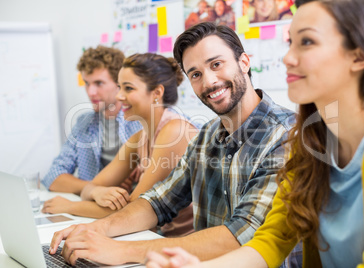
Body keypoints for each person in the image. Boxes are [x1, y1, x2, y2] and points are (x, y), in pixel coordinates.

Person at [145, 0, 364, 267]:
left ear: (359, 55)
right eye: (291, 43)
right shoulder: (311, 139)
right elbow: (272, 240)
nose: (288, 58)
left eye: (308, 42)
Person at [48, 22, 300, 267]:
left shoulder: (287, 135)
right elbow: (159, 201)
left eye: (216, 64)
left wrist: (121, 250)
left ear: (244, 62)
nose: (209, 82)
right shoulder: (208, 135)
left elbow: (242, 235)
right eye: (196, 74)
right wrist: (93, 230)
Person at [42, 53, 199, 237]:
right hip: (155, 237)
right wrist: (98, 191)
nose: (119, 96)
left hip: (186, 247)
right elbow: (90, 188)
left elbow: (133, 211)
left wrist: (70, 206)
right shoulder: (139, 138)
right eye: (120, 88)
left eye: (128, 88)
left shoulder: (175, 131)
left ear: (156, 93)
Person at [41, 46, 142, 194]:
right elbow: (53, 176)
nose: (90, 92)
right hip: (98, 206)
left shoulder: (143, 119)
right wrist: (98, 188)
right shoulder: (84, 124)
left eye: (99, 83)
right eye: (87, 83)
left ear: (119, 84)